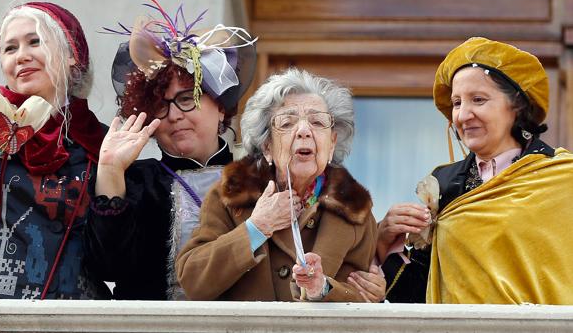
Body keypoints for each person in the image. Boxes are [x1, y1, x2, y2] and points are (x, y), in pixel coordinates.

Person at [359, 37, 573, 304]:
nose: (462, 115)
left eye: (478, 100)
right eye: (457, 103)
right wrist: (385, 241)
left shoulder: (563, 178)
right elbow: (420, 297)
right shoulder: (443, 183)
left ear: (516, 106)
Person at [82, 0, 257, 300]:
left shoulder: (260, 178)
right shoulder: (138, 181)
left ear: (221, 108)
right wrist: (110, 172)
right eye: (161, 106)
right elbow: (107, 267)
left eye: (187, 99)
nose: (174, 115)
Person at [176, 68, 379, 302]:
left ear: (332, 143)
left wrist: (321, 288)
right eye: (287, 123)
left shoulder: (355, 210)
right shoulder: (231, 194)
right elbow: (193, 281)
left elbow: (362, 298)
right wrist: (256, 228)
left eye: (317, 121)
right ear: (267, 146)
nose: (304, 131)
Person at [0, 2, 109, 299]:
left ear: (72, 55)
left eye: (35, 42)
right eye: (10, 49)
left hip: (71, 317)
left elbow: (114, 257)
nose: (22, 55)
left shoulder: (101, 142)